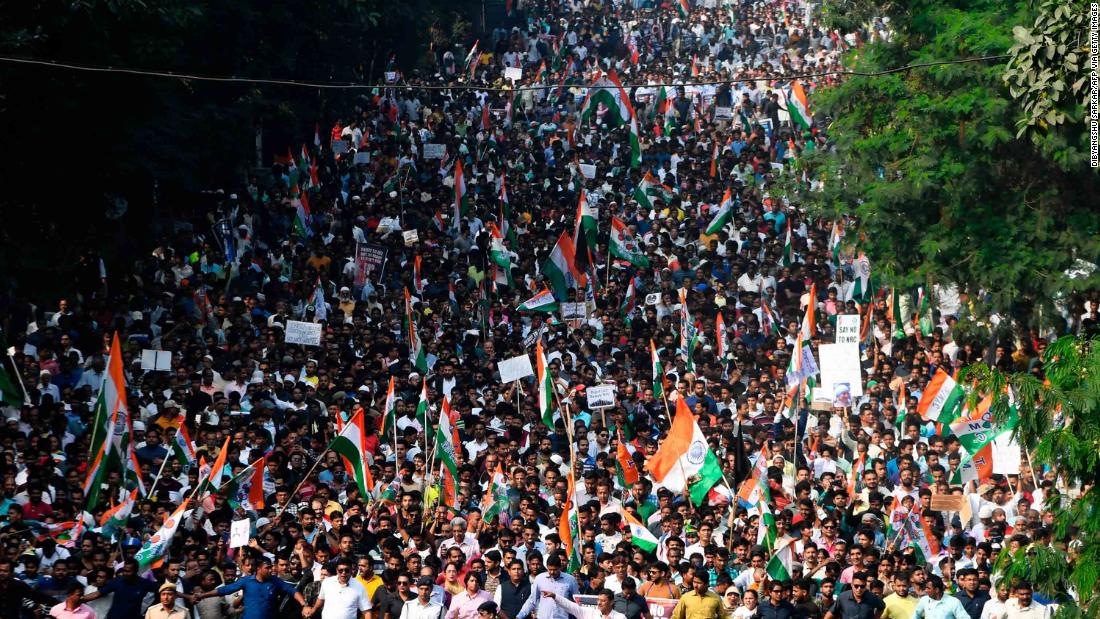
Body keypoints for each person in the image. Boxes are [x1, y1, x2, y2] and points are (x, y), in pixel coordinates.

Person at [197, 556, 307, 619]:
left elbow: (293, 591)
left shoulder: (275, 580)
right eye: (267, 568)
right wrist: (202, 595)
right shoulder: (246, 581)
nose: (271, 570)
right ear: (259, 568)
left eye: (271, 567)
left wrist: (304, 605)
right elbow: (224, 590)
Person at [81, 559, 161, 619]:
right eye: (124, 571)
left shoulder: (144, 583)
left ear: (136, 571)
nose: (125, 573)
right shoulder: (117, 581)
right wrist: (80, 599)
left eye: (128, 571)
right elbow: (97, 593)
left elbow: (162, 590)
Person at [305, 557, 372, 619]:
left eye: (347, 570)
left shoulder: (359, 586)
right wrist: (312, 611)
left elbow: (366, 611)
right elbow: (321, 599)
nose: (343, 573)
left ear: (351, 570)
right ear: (337, 570)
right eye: (341, 570)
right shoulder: (327, 582)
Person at [544, 587, 628, 619]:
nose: (599, 603)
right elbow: (570, 606)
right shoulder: (590, 612)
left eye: (603, 601)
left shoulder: (620, 617)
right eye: (598, 600)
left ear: (611, 602)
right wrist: (555, 596)